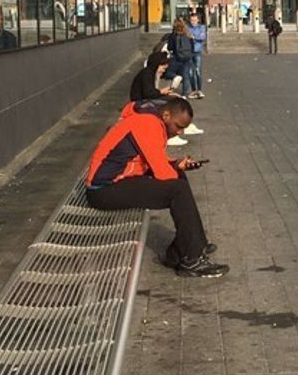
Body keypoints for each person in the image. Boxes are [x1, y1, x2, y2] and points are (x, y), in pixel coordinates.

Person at [86, 97, 227, 277]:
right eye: (179, 126)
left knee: (179, 180)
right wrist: (173, 169)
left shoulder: (152, 121)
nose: (180, 132)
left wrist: (177, 165)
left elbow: (151, 160)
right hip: (103, 190)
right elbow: (162, 172)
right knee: (178, 190)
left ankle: (189, 247)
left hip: (117, 181)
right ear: (166, 115)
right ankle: (191, 258)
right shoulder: (147, 124)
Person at [168, 18, 199, 98]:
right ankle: (184, 94)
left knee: (169, 72)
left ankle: (175, 78)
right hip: (187, 58)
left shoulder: (173, 35)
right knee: (186, 75)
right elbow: (192, 47)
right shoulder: (188, 35)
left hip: (176, 57)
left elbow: (170, 47)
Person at [186, 11, 207, 99]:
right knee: (190, 72)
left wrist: (194, 37)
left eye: (195, 20)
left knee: (198, 71)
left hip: (197, 51)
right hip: (189, 51)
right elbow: (186, 37)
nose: (193, 22)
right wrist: (193, 37)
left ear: (198, 20)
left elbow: (202, 37)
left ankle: (199, 90)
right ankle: (194, 90)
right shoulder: (187, 27)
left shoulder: (201, 27)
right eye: (191, 20)